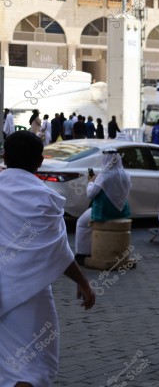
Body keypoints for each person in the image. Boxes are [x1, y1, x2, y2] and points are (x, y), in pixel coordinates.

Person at [0, 131, 95, 386]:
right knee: (31, 368)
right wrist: (84, 283)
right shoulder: (45, 198)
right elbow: (59, 251)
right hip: (31, 296)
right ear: (40, 162)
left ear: (4, 156)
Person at [74, 149, 132, 264]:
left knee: (81, 222)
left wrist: (90, 182)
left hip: (105, 211)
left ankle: (81, 254)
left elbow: (91, 194)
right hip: (122, 211)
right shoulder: (126, 174)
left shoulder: (104, 175)